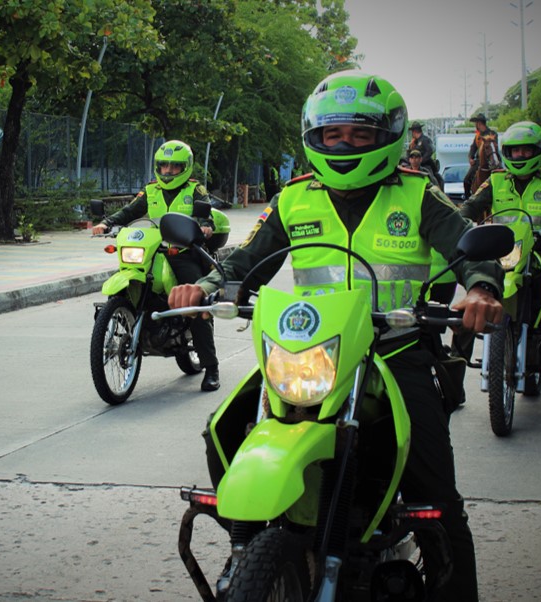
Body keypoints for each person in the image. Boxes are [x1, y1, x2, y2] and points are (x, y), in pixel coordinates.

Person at [169, 71, 504, 601]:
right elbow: (243, 261)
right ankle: (253, 542)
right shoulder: (294, 200)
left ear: (386, 136)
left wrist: (480, 289)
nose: (344, 144)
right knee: (224, 428)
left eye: (359, 134)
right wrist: (206, 285)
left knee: (437, 495)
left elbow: (469, 246)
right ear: (314, 138)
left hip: (397, 351)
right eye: (332, 135)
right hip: (310, 355)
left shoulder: (417, 194)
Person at [92, 140, 221, 391]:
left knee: (196, 302)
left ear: (186, 167)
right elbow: (130, 211)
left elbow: (207, 215)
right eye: (164, 166)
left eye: (175, 167)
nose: (168, 172)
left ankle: (212, 368)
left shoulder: (196, 190)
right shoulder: (150, 191)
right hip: (153, 251)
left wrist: (205, 226)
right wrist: (107, 223)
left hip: (183, 252)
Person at [460, 120, 541, 366]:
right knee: (476, 287)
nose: (520, 155)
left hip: (540, 249)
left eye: (526, 150)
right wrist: (461, 221)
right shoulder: (496, 180)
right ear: (507, 152)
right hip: (502, 250)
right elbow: (470, 206)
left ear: (538, 150)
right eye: (515, 150)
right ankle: (458, 357)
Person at [463, 113, 499, 194]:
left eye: (476, 123)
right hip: (479, 162)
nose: (475, 125)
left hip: (492, 159)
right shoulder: (477, 136)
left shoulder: (492, 134)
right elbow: (473, 148)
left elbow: (494, 149)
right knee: (466, 180)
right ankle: (468, 199)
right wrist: (470, 158)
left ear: (479, 123)